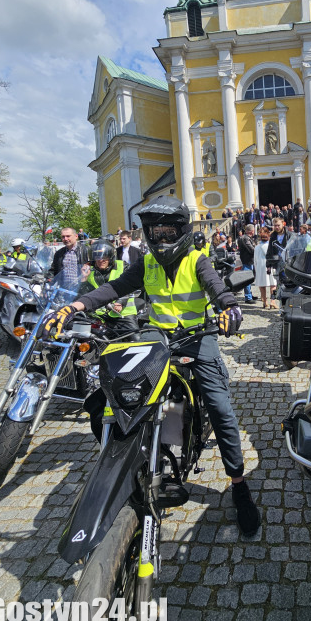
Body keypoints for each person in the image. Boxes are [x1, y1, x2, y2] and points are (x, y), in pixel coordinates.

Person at [41, 196, 260, 537]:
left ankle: (239, 484)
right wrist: (75, 306)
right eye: (155, 233)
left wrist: (229, 307)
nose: (161, 239)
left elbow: (217, 288)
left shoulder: (197, 260)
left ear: (182, 231)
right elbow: (114, 288)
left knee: (221, 408)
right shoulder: (145, 263)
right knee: (120, 396)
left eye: (168, 231)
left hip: (197, 338)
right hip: (156, 339)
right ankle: (132, 464)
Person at [79, 240, 139, 337]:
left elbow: (129, 284)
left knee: (135, 338)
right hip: (99, 314)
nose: (101, 260)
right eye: (97, 257)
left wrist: (120, 302)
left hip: (123, 313)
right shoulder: (90, 271)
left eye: (104, 256)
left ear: (111, 257)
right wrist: (83, 278)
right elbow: (84, 294)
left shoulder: (122, 266)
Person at [266, 215, 296, 296]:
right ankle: (281, 303)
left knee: (290, 283)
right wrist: (268, 265)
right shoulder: (273, 236)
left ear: (283, 224)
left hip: (289, 263)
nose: (276, 227)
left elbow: (296, 249)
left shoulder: (290, 235)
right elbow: (269, 250)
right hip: (278, 262)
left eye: (278, 225)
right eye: (275, 225)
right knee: (280, 283)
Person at [254, 227, 276, 308]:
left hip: (260, 267)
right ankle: (273, 301)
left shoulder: (257, 247)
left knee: (262, 285)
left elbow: (255, 260)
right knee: (273, 284)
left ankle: (264, 301)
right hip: (270, 266)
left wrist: (256, 269)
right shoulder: (271, 246)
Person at [237, 224, 256, 304]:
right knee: (247, 279)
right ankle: (248, 297)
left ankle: (250, 295)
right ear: (252, 231)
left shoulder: (245, 238)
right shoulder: (245, 238)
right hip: (247, 261)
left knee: (250, 279)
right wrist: (258, 250)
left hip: (248, 260)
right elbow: (251, 250)